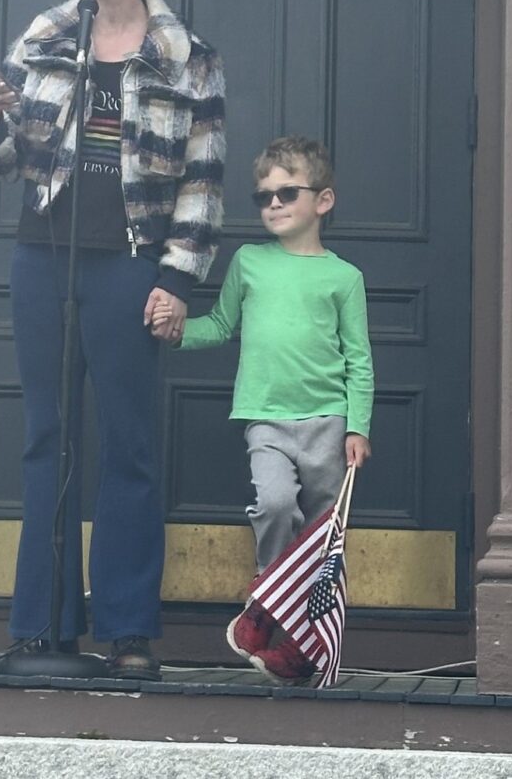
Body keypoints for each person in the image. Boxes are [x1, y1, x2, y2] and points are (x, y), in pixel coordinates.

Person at [0, 0, 225, 680]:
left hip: (130, 264)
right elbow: (7, 160)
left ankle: (128, 629)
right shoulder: (47, 36)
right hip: (42, 257)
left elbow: (204, 180)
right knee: (48, 436)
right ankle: (43, 627)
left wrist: (177, 280)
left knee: (129, 446)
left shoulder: (188, 55)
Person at [153, 135, 372, 683]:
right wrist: (177, 331)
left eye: (287, 193)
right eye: (264, 196)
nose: (273, 204)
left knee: (323, 539)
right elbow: (222, 327)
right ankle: (266, 605)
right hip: (267, 418)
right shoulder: (250, 262)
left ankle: (303, 648)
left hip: (329, 421)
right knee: (276, 505)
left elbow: (359, 361)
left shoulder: (344, 277)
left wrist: (358, 426)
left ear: (323, 200)